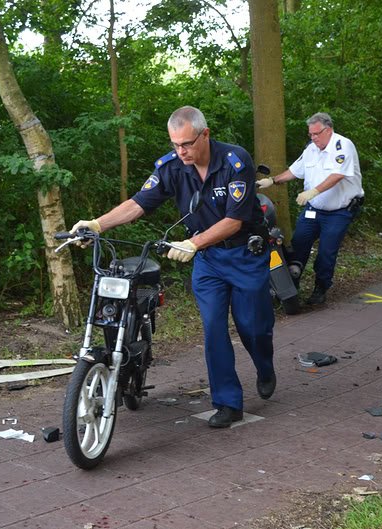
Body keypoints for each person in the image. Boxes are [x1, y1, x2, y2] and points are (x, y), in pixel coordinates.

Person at [70, 106, 276, 428]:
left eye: (188, 144)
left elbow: (234, 221)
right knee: (213, 329)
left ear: (205, 134)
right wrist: (97, 224)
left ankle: (264, 365)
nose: (181, 151)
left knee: (253, 327)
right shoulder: (172, 167)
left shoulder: (236, 161)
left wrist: (193, 243)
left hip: (244, 257)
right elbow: (139, 203)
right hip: (208, 263)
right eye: (175, 145)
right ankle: (227, 402)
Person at [257, 112, 364, 305]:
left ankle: (320, 288)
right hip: (314, 209)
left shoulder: (342, 146)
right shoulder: (311, 150)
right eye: (311, 134)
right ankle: (290, 290)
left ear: (328, 130)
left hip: (339, 211)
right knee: (298, 244)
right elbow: (295, 171)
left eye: (317, 134)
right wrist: (272, 181)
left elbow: (337, 175)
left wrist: (312, 192)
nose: (313, 138)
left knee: (326, 251)